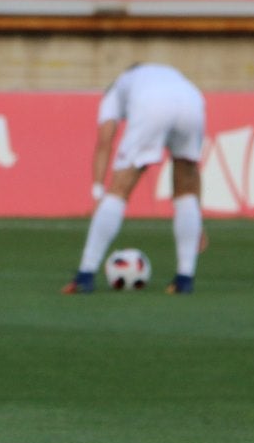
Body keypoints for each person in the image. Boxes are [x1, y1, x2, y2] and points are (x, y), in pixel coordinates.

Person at [64, 63, 205, 296]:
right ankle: (184, 278)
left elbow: (104, 141)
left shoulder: (116, 88)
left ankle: (85, 274)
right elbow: (194, 174)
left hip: (154, 103)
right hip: (192, 99)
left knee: (120, 188)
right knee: (186, 183)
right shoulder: (163, 74)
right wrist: (197, 220)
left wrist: (98, 192)